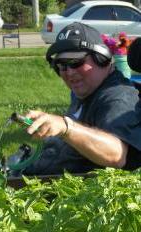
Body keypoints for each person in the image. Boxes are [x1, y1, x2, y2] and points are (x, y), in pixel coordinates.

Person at [23, 22, 141, 175]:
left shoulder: (118, 98)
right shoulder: (87, 90)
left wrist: (66, 128)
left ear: (102, 59)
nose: (69, 72)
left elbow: (117, 154)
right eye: (62, 65)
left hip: (61, 195)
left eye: (76, 62)